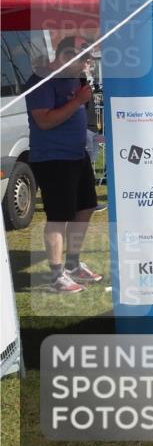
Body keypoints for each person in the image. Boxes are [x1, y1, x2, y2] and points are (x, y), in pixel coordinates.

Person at [25, 37, 103, 293]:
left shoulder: (76, 79)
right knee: (58, 216)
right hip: (52, 158)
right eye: (84, 60)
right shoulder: (42, 80)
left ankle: (72, 264)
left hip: (76, 155)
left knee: (86, 207)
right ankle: (57, 276)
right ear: (65, 57)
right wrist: (77, 101)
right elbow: (44, 121)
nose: (87, 65)